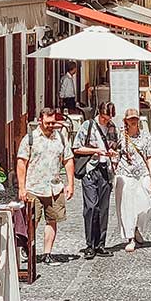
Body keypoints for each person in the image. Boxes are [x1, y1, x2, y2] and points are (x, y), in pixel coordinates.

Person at [16, 107, 75, 265]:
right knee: (31, 221)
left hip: (54, 187)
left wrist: (70, 183)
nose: (50, 125)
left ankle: (47, 253)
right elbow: (21, 163)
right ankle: (27, 249)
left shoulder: (61, 138)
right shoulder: (30, 139)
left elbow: (68, 160)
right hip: (33, 187)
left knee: (52, 221)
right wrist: (22, 188)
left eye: (53, 122)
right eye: (48, 122)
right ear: (40, 120)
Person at [74, 101, 118, 259]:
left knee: (104, 208)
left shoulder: (112, 128)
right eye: (105, 118)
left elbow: (115, 146)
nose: (107, 121)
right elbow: (77, 147)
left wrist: (111, 152)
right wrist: (96, 151)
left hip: (105, 171)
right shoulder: (88, 126)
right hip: (90, 170)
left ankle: (101, 244)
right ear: (99, 113)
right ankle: (90, 244)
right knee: (91, 207)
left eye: (109, 118)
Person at [115, 108, 151, 251]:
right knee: (127, 207)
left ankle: (137, 227)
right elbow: (115, 154)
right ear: (126, 121)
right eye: (130, 119)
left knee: (146, 204)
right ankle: (130, 237)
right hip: (125, 174)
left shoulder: (145, 136)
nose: (133, 121)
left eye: (135, 118)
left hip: (142, 173)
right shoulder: (120, 136)